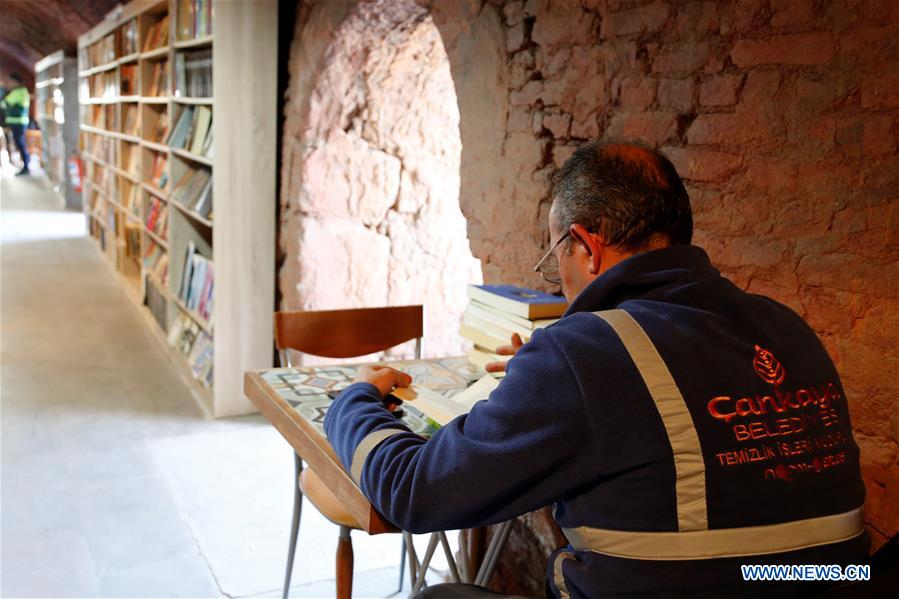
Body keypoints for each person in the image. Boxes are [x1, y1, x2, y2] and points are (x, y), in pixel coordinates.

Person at [324, 142, 868, 597]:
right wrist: (554, 376)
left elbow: (415, 491)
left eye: (556, 255)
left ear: (586, 245)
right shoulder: (785, 325)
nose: (559, 275)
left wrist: (354, 401)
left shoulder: (582, 354)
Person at [1, 73, 31, 175]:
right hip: (18, 122)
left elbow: (4, 103)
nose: (8, 84)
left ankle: (26, 166)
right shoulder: (21, 91)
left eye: (10, 82)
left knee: (20, 144)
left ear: (15, 81)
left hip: (18, 122)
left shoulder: (18, 91)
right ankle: (25, 164)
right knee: (19, 143)